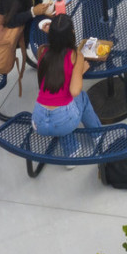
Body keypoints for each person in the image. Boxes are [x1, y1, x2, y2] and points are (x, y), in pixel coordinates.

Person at [31, 14, 103, 163]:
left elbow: (56, 56)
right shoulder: (75, 56)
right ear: (72, 33)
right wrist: (80, 70)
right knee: (81, 98)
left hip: (38, 121)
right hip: (63, 121)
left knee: (64, 106)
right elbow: (74, 91)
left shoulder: (43, 52)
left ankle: (72, 151)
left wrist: (54, 34)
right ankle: (98, 135)